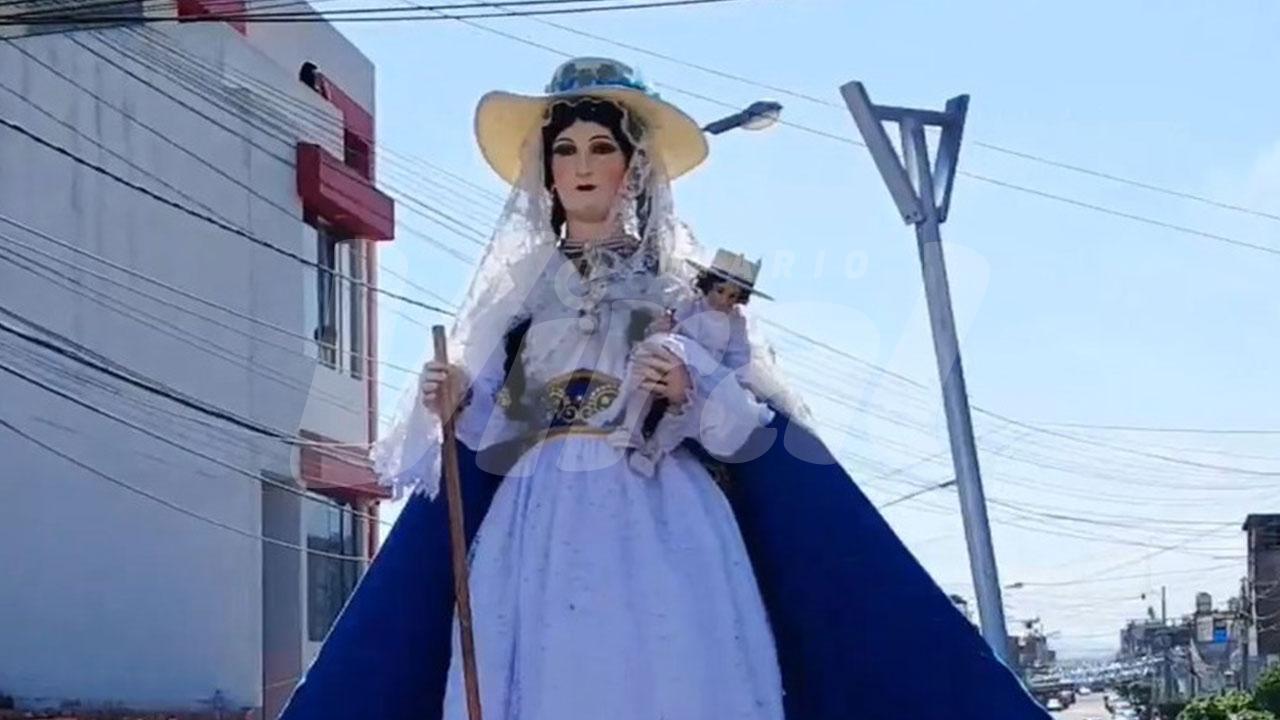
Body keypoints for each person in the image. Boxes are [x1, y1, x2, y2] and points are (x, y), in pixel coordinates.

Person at [278, 57, 1050, 720]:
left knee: (668, 668)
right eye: (566, 149)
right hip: (535, 534)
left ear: (633, 167)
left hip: (661, 529)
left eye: (601, 148)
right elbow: (496, 444)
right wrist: (452, 406)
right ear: (545, 171)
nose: (582, 165)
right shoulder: (518, 306)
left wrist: (689, 384)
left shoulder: (686, 294)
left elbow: (744, 436)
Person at [605, 248, 771, 476]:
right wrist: (661, 328)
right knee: (653, 362)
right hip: (675, 358)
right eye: (720, 291)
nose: (724, 300)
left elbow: (739, 360)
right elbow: (670, 330)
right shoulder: (689, 305)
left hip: (705, 376)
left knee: (686, 406)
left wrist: (731, 385)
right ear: (708, 285)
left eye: (732, 296)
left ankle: (654, 451)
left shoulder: (735, 324)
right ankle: (630, 427)